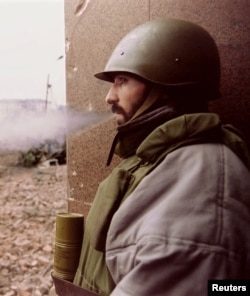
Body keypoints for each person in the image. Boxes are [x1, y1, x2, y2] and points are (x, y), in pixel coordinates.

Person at [56, 19, 250, 295]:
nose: (109, 97)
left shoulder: (202, 180)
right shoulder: (161, 158)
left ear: (166, 86)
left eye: (123, 81)